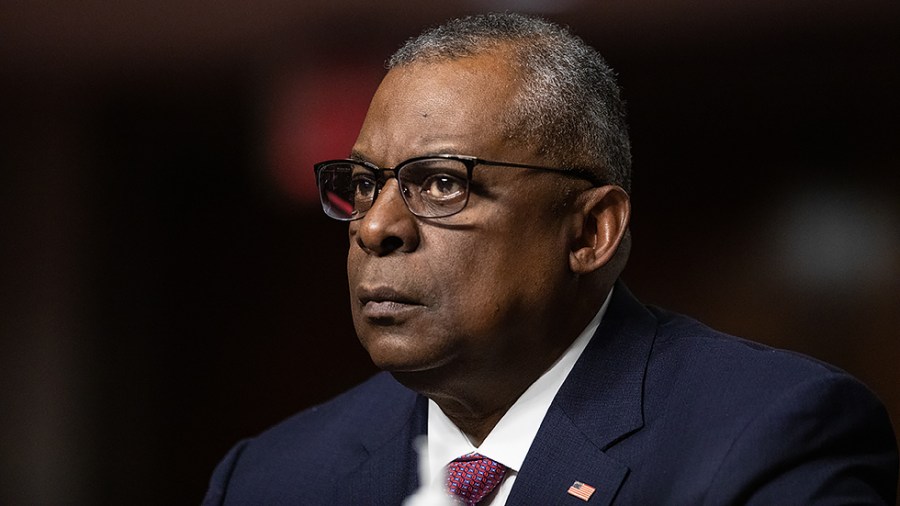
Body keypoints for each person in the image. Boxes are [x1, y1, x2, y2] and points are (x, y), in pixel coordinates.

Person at [202, 12, 898, 505]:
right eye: (362, 185)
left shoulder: (768, 437)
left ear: (590, 230)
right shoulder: (271, 476)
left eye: (443, 184)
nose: (376, 225)